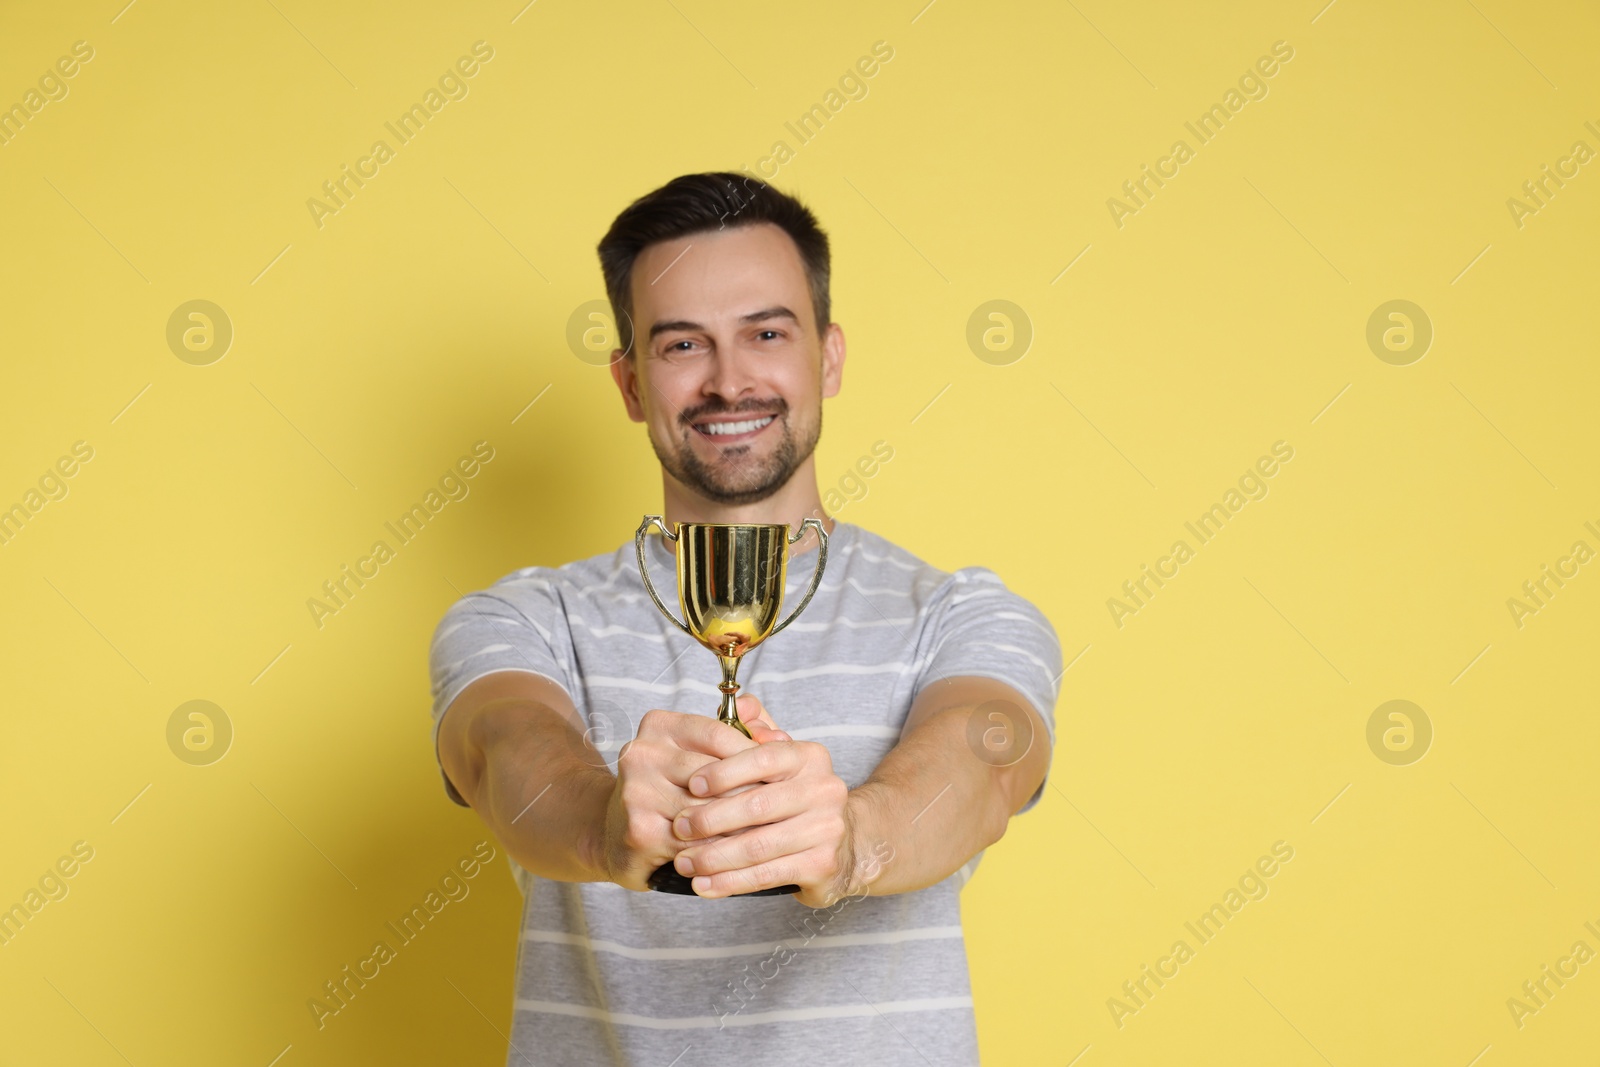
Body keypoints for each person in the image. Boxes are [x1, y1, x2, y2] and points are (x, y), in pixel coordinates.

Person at [429, 172, 1062, 1066]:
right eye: (683, 343)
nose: (730, 382)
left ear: (829, 357)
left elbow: (988, 757)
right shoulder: (528, 617)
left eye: (767, 332)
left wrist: (854, 841)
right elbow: (499, 746)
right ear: (630, 382)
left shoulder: (961, 613)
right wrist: (602, 823)